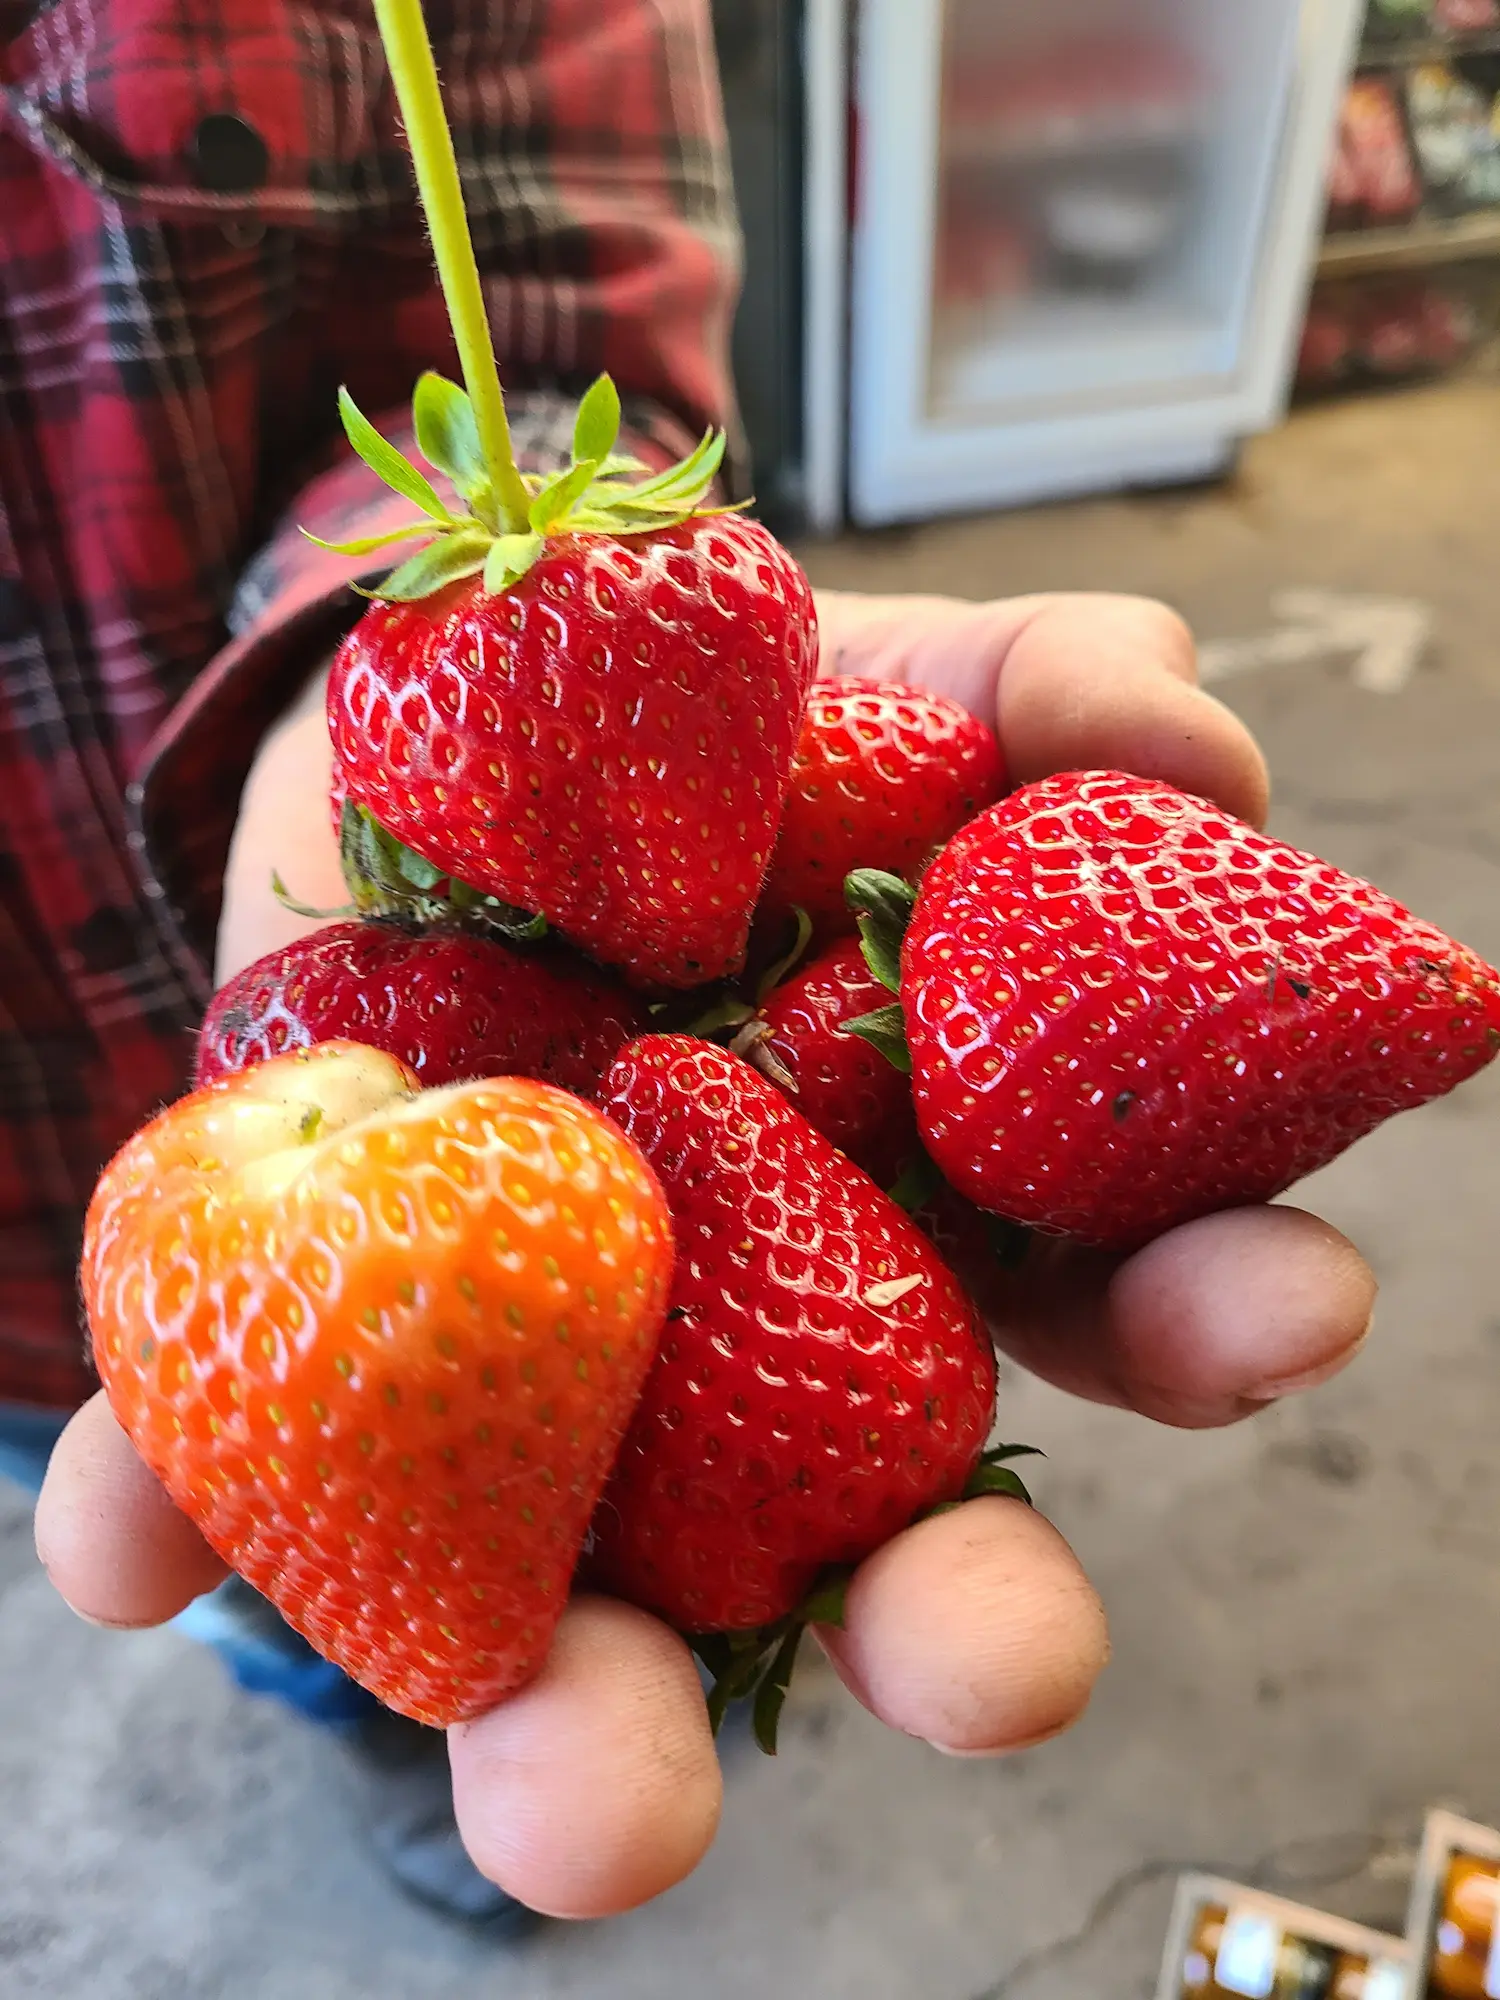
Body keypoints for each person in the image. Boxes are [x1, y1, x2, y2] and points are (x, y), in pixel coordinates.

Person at [2, 0, 1377, 1931]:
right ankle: (364, 1703)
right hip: (46, 1248)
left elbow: (544, 307)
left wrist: (404, 615)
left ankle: (410, 1681)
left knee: (388, 1514)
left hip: (289, 1042)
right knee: (256, 1545)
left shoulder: (614, 992)